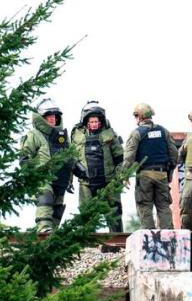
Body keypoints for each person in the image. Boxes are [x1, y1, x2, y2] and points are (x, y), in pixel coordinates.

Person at [71, 100, 125, 232]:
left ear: (100, 122)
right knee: (87, 213)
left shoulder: (109, 134)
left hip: (109, 181)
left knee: (114, 213)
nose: (94, 124)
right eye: (92, 122)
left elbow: (120, 157)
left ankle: (116, 240)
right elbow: (71, 158)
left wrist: (120, 175)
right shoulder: (77, 136)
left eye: (96, 121)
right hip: (86, 183)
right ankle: (88, 242)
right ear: (87, 122)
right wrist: (71, 177)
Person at [21, 99, 73, 231]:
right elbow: (24, 156)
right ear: (42, 118)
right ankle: (43, 229)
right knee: (45, 197)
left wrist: (70, 180)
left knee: (57, 207)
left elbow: (70, 158)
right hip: (41, 176)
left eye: (55, 116)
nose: (53, 119)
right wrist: (30, 174)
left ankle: (50, 236)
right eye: (49, 116)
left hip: (60, 179)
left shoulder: (62, 137)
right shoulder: (34, 135)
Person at [124, 102, 178, 229]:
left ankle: (149, 240)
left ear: (139, 116)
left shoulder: (137, 133)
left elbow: (129, 156)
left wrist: (124, 175)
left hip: (144, 176)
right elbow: (174, 154)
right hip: (162, 175)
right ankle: (168, 238)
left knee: (144, 206)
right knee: (163, 206)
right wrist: (168, 172)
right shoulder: (163, 131)